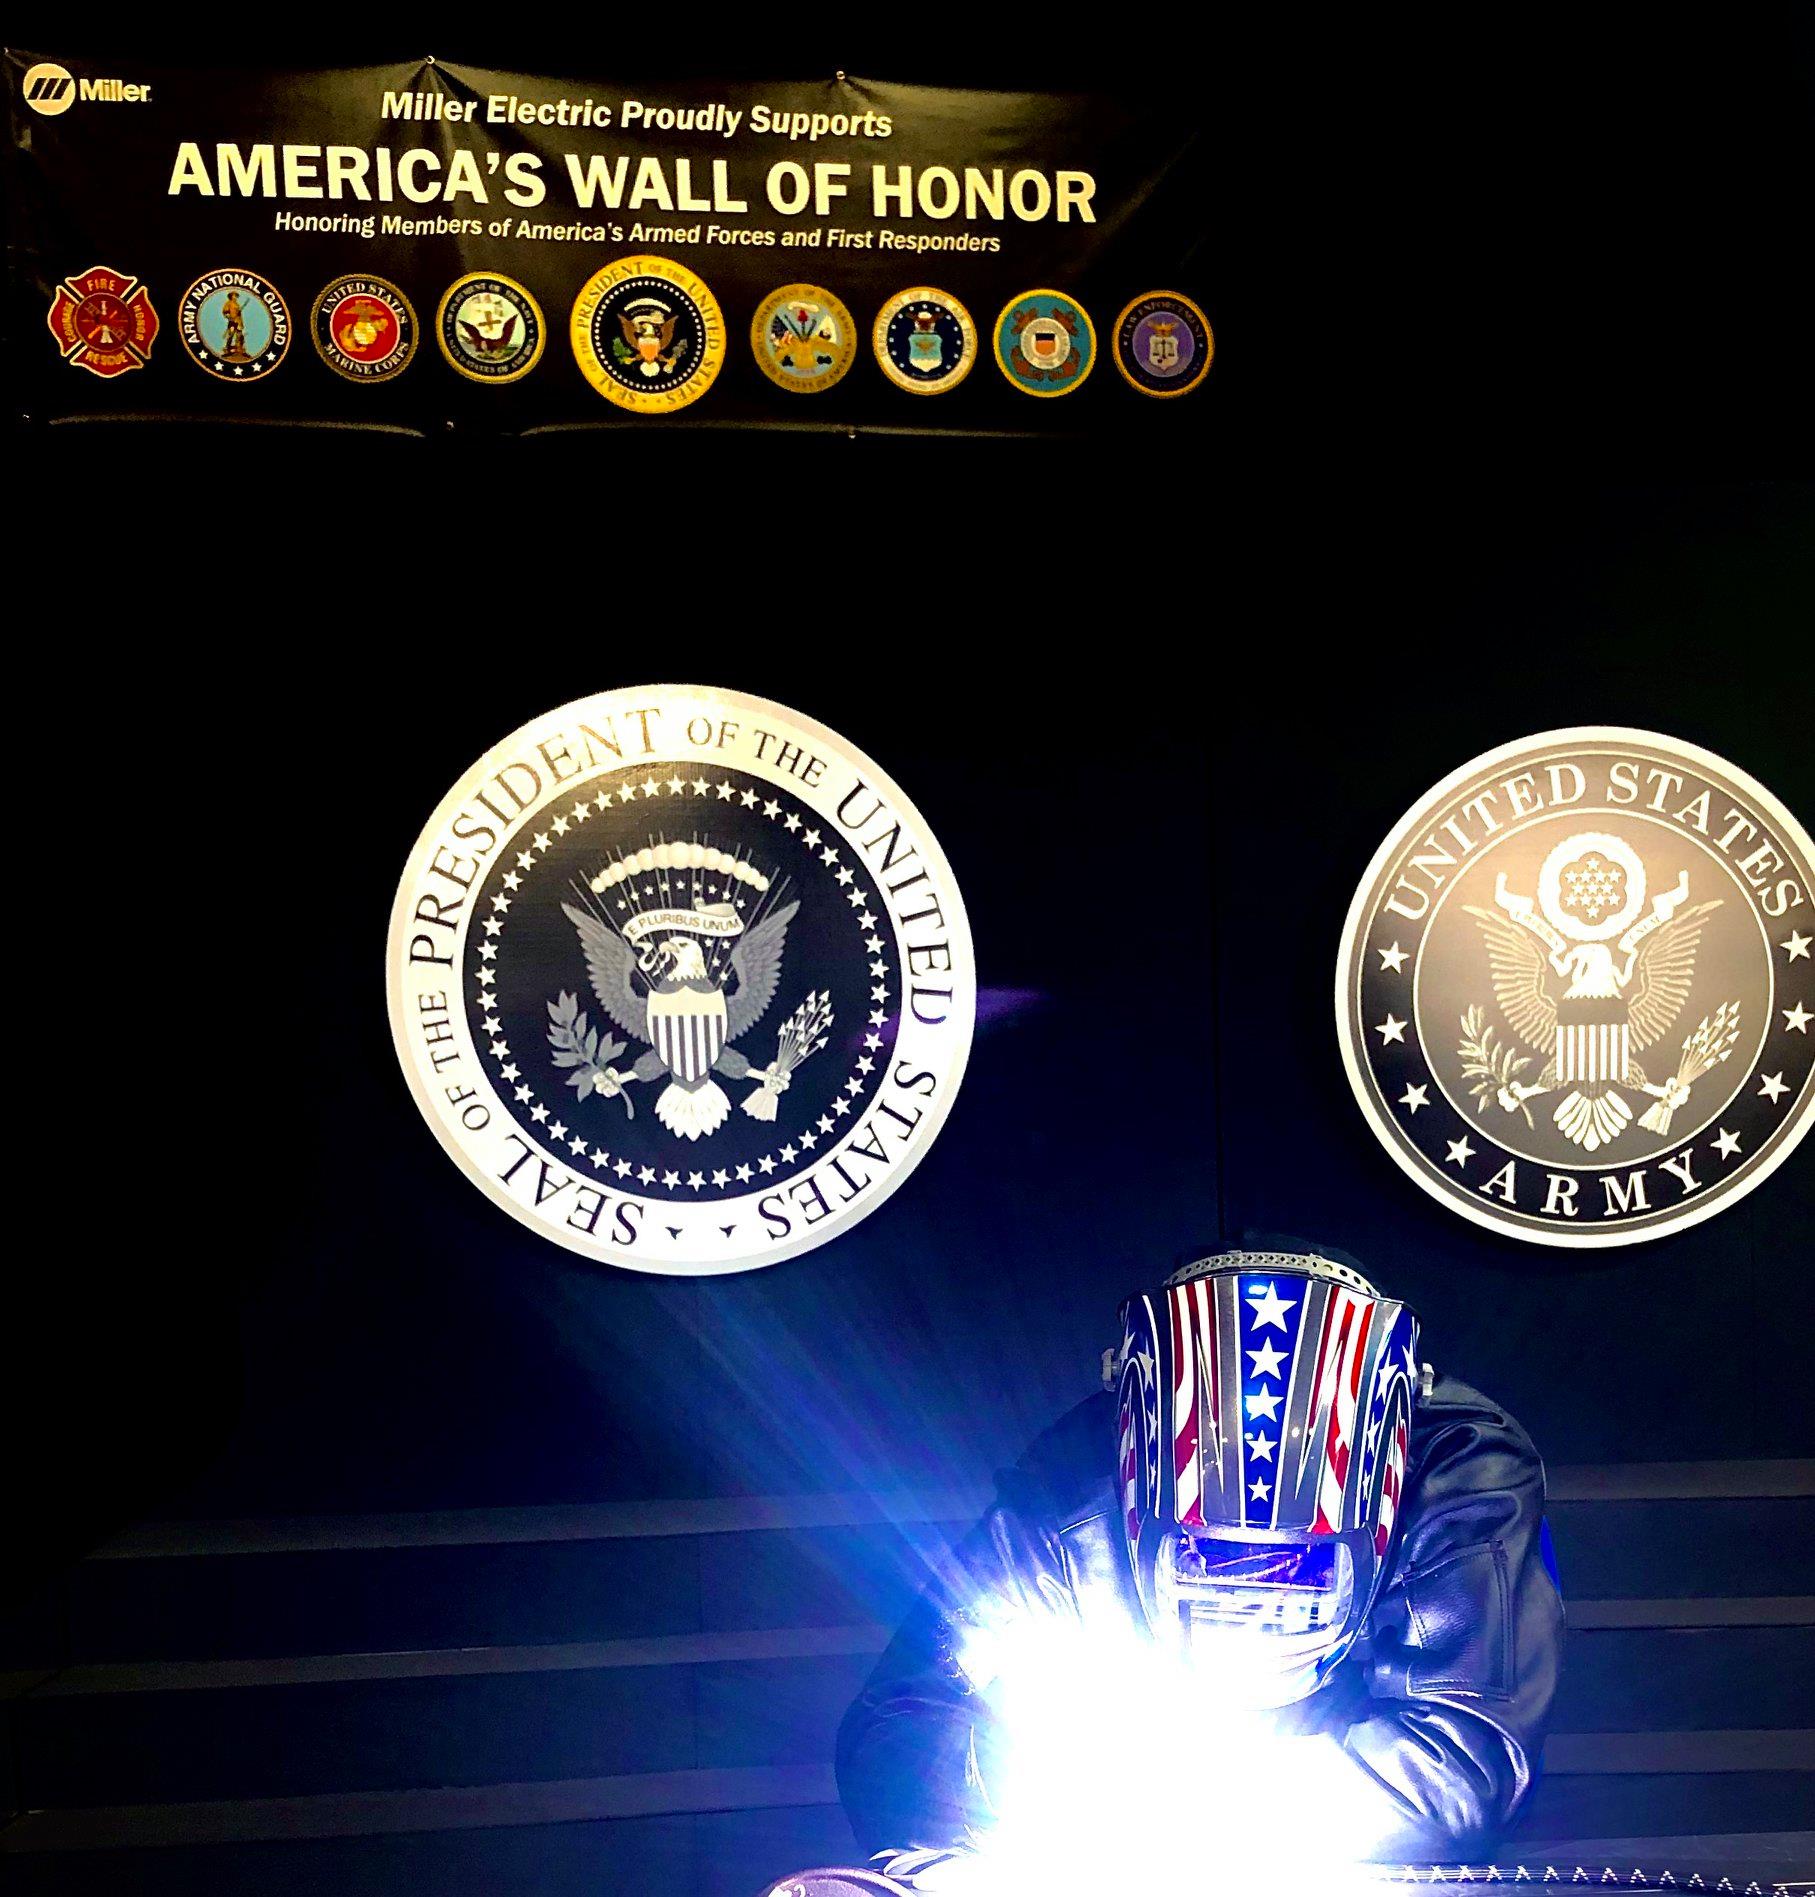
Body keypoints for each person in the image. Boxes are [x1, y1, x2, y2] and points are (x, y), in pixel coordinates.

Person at [836, 1246, 1564, 1875]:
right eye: (1209, 1554)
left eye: (1296, 1567)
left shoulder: (1463, 1467)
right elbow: (897, 1727)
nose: (1256, 1598)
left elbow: (1462, 1773)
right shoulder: (1079, 1473)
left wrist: (1168, 1801)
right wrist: (1012, 1784)